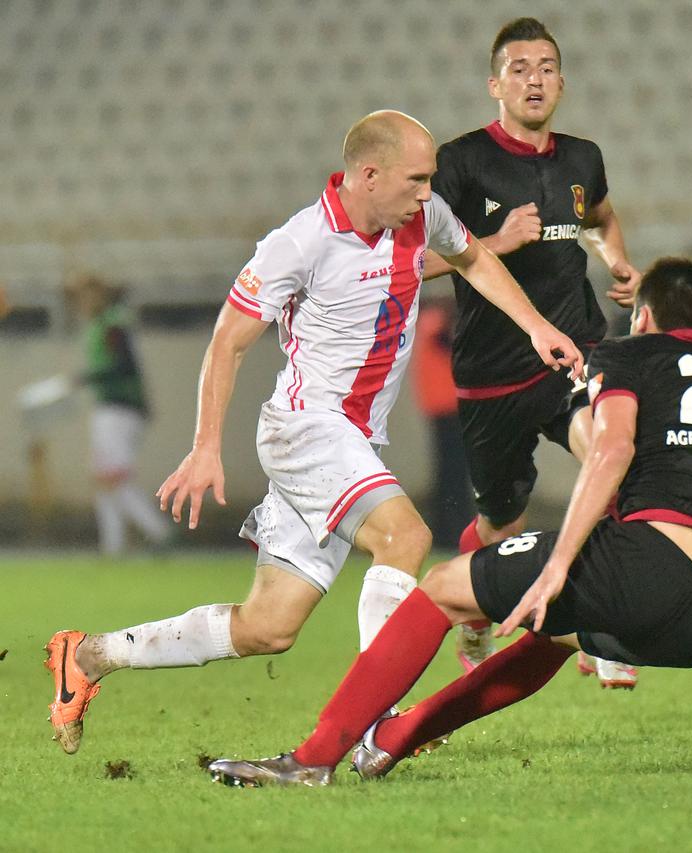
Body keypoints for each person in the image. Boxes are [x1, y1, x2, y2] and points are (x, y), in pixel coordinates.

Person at [42, 110, 583, 755]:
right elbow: (227, 339)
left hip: (350, 442)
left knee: (268, 628)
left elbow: (472, 259)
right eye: (416, 178)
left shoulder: (418, 214)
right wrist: (206, 445)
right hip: (307, 431)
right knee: (406, 536)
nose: (427, 191)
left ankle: (91, 655)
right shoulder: (298, 243)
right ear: (369, 173)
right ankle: (378, 723)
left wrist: (535, 326)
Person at [206, 257, 692, 787]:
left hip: (648, 563)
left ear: (644, 315)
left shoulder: (632, 355)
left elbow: (612, 450)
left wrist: (561, 560)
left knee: (442, 590)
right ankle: (395, 736)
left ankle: (311, 761)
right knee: (555, 637)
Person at [422, 17, 641, 686]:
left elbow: (600, 216)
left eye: (546, 67)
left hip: (577, 347)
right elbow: (410, 260)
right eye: (519, 68)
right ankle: (474, 607)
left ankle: (603, 633)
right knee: (500, 522)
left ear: (563, 83)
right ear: (495, 84)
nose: (535, 79)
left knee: (613, 462)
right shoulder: (460, 163)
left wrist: (618, 260)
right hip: (492, 372)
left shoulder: (582, 157)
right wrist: (494, 244)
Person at [68, 275, 172, 555]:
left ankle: (158, 533)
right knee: (104, 480)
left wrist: (88, 378)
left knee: (112, 478)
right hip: (113, 408)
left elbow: (124, 365)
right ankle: (113, 546)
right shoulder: (104, 325)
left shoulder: (112, 325)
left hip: (118, 409)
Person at [410, 295, 475, 547]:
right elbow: (450, 342)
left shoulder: (428, 322)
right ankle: (452, 530)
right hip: (448, 408)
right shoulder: (434, 323)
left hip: (442, 408)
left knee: (450, 471)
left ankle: (449, 529)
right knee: (454, 472)